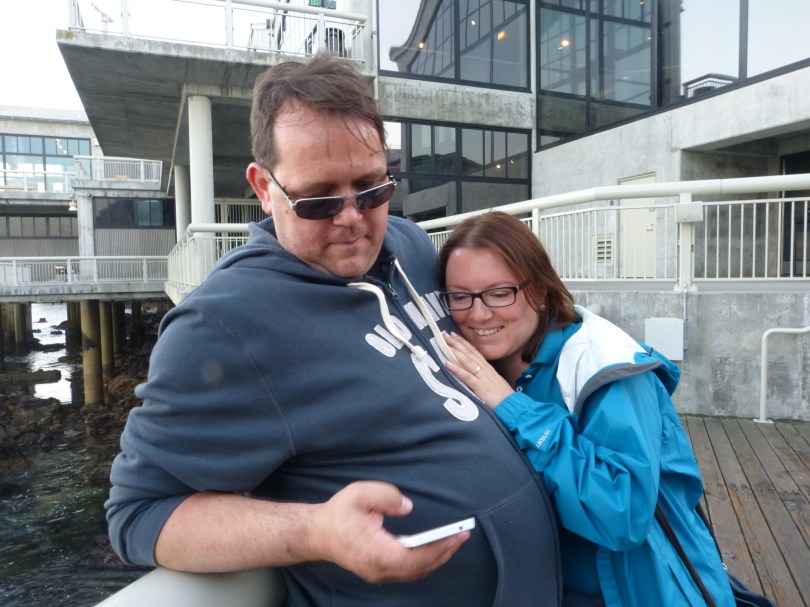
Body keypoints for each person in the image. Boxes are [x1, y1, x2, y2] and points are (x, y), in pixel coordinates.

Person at [105, 55, 561, 606]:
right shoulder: (223, 325)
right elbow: (139, 515)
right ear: (263, 187)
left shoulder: (408, 244)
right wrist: (314, 531)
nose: (352, 219)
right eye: (319, 198)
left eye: (371, 188)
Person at [437, 212, 735, 607]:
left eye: (499, 293)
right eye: (460, 296)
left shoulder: (604, 368)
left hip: (635, 590)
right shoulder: (482, 367)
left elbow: (623, 514)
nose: (477, 314)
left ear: (540, 291)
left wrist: (514, 409)